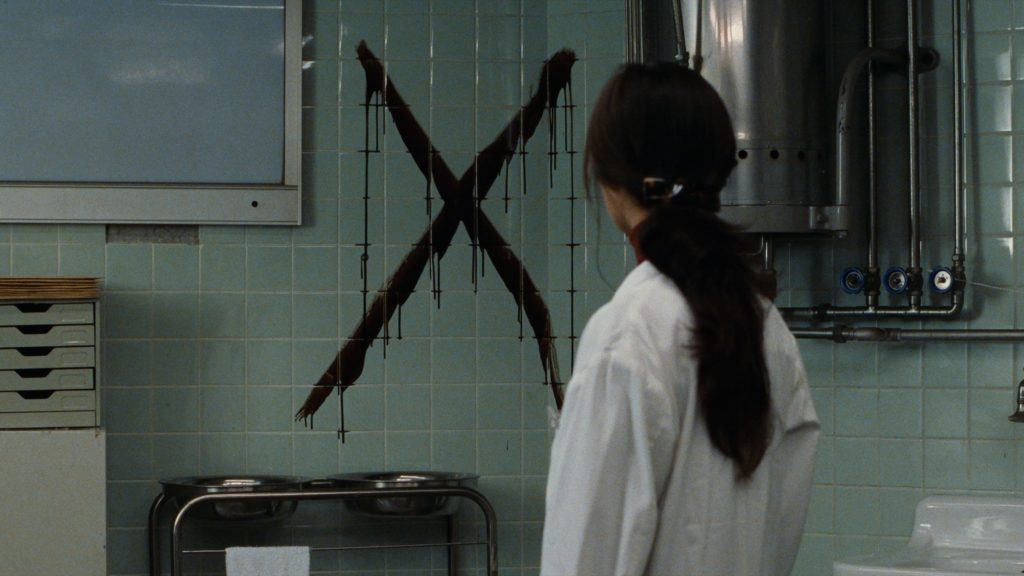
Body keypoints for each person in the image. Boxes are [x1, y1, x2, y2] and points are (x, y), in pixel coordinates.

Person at [539, 63, 820, 576]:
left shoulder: (628, 332)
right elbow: (783, 521)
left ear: (608, 177)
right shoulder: (763, 323)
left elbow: (583, 552)